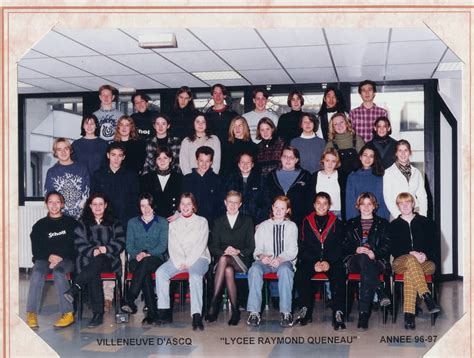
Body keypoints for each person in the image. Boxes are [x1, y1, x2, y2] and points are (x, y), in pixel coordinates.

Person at [64, 193, 125, 328]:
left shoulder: (114, 222)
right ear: (90, 206)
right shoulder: (82, 223)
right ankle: (97, 315)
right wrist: (93, 251)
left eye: (100, 204)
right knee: (93, 270)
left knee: (96, 263)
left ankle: (75, 287)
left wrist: (105, 249)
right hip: (88, 261)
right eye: (94, 204)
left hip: (109, 261)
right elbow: (79, 243)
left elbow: (120, 242)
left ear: (105, 205)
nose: (98, 207)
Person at [155, 193, 211, 330]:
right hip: (178, 259)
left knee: (195, 276)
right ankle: (164, 311)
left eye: (188, 204)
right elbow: (173, 245)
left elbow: (201, 245)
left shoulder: (202, 221)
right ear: (179, 206)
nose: (185, 207)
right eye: (183, 204)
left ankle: (196, 315)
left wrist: (189, 262)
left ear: (193, 206)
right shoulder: (174, 223)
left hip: (199, 258)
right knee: (160, 273)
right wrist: (181, 261)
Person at [293, 192, 346, 330]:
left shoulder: (337, 222)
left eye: (325, 203)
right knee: (301, 274)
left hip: (331, 260)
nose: (321, 206)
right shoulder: (305, 222)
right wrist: (314, 262)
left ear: (329, 206)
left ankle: (338, 313)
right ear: (314, 205)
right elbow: (302, 245)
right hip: (311, 260)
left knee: (339, 275)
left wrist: (328, 261)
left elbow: (340, 246)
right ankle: (305, 310)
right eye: (318, 203)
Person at [26, 191, 78, 330]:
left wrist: (60, 256)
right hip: (45, 258)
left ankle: (68, 314)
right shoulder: (39, 225)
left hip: (66, 259)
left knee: (59, 273)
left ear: (62, 204)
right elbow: (36, 249)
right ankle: (31, 313)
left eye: (57, 202)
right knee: (36, 273)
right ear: (46, 204)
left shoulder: (71, 223)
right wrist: (49, 256)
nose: (54, 205)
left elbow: (76, 246)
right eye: (50, 202)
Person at [388, 192, 441, 330]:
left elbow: (435, 245)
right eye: (401, 203)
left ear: (413, 204)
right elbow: (393, 249)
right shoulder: (393, 225)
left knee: (410, 273)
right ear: (398, 206)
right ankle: (427, 297)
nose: (405, 205)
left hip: (425, 263)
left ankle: (409, 315)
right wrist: (410, 253)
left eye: (408, 202)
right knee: (411, 260)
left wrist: (426, 254)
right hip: (401, 262)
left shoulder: (426, 222)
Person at [246, 196, 298, 328]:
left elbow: (293, 250)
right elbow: (257, 250)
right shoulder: (263, 226)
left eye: (282, 208)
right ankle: (254, 312)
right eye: (276, 207)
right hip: (266, 262)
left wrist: (280, 259)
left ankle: (286, 312)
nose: (279, 211)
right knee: (254, 269)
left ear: (287, 210)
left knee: (285, 270)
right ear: (272, 208)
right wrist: (262, 256)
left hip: (284, 261)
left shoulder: (292, 226)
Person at [343, 192, 391, 331]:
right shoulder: (351, 223)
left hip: (376, 261)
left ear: (374, 206)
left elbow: (388, 245)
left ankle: (363, 315)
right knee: (363, 259)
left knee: (367, 271)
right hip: (354, 261)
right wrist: (355, 249)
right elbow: (344, 244)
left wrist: (374, 253)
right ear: (358, 206)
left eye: (369, 204)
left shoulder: (383, 223)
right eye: (363, 204)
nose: (366, 207)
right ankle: (379, 291)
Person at [207, 191, 255, 325]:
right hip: (224, 260)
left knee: (224, 260)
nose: (232, 205)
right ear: (225, 203)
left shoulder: (247, 220)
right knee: (227, 269)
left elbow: (251, 246)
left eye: (236, 202)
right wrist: (224, 251)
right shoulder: (218, 221)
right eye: (230, 202)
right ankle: (235, 311)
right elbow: (213, 246)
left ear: (240, 204)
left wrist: (238, 251)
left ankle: (214, 303)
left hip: (241, 260)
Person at [121, 194, 168, 324]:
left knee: (146, 263)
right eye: (142, 206)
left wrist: (147, 254)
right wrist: (138, 254)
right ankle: (152, 314)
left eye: (148, 205)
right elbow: (129, 245)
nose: (146, 209)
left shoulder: (163, 222)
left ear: (153, 206)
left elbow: (162, 246)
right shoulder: (132, 222)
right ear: (139, 207)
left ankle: (130, 299)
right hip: (136, 259)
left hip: (156, 258)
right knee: (144, 273)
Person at [91, 142, 139, 231]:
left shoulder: (131, 176)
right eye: (113, 155)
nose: (116, 159)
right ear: (108, 155)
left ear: (123, 157)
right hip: (104, 222)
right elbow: (94, 200)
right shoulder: (98, 175)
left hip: (125, 223)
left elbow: (135, 201)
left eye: (120, 155)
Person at [265, 146, 312, 228]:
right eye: (285, 156)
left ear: (296, 160)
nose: (288, 160)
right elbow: (266, 199)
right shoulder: (271, 176)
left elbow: (310, 201)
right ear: (281, 158)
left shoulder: (306, 176)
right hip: (275, 221)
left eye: (291, 157)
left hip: (299, 222)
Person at [44, 138, 90, 219]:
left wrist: (78, 215)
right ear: (55, 153)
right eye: (59, 149)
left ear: (70, 150)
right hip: (60, 218)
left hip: (81, 217)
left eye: (66, 148)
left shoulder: (82, 169)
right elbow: (49, 197)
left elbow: (86, 195)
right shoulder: (51, 172)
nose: (63, 152)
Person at [383, 139, 428, 219]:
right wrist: (398, 216)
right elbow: (388, 198)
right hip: (397, 213)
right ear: (396, 153)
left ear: (410, 152)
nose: (403, 154)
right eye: (400, 150)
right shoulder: (388, 172)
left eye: (406, 150)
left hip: (416, 212)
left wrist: (423, 215)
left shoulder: (416, 172)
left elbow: (422, 196)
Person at [345, 145, 390, 220]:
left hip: (379, 219)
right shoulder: (352, 176)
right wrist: (352, 222)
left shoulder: (381, 176)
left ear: (374, 159)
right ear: (360, 157)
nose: (367, 159)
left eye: (371, 156)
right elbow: (350, 203)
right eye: (365, 155)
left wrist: (383, 221)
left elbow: (383, 201)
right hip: (358, 219)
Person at [182, 146, 224, 227]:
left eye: (207, 161)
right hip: (190, 223)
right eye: (201, 161)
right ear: (196, 160)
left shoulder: (217, 180)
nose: (204, 164)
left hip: (211, 224)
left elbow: (220, 205)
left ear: (211, 162)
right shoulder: (187, 179)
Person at [140, 146, 183, 220]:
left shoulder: (179, 178)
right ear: (155, 161)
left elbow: (183, 199)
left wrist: (178, 213)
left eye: (165, 158)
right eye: (159, 158)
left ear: (170, 159)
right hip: (152, 219)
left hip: (174, 219)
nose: (162, 161)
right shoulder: (146, 178)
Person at [224, 152, 267, 225]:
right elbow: (224, 201)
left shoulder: (260, 180)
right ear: (238, 164)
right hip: (234, 221)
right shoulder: (230, 179)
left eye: (248, 162)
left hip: (254, 222)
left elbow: (265, 203)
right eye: (242, 162)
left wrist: (259, 222)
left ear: (252, 164)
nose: (245, 165)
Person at [326, 112, 365, 182]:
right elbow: (327, 166)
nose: (339, 126)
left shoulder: (357, 139)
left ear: (347, 123)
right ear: (333, 127)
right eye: (335, 124)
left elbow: (365, 163)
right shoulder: (330, 144)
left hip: (358, 179)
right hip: (339, 181)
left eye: (341, 122)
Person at [311, 148, 345, 219]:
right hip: (320, 212)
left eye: (333, 161)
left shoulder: (343, 176)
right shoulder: (315, 176)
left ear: (337, 162)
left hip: (338, 214)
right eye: (327, 160)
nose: (330, 164)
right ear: (322, 160)